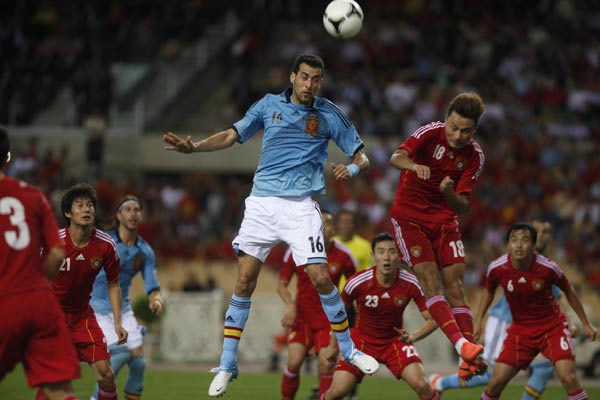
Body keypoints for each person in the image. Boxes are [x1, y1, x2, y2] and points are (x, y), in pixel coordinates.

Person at [163, 53, 379, 397]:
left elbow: (362, 155)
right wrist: (196, 149)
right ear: (292, 77)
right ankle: (228, 363)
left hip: (301, 207)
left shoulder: (329, 114)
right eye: (305, 77)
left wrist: (352, 169)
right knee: (245, 279)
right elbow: (233, 134)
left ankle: (349, 351)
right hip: (262, 204)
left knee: (321, 277)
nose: (310, 84)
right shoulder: (267, 105)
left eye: (316, 79)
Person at [388, 92, 487, 379]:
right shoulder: (430, 133)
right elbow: (397, 156)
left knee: (455, 285)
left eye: (466, 131)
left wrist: (449, 193)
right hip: (409, 218)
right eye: (454, 127)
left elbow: (464, 204)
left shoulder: (475, 156)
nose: (457, 135)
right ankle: (465, 347)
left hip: (444, 220)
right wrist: (413, 165)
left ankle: (467, 359)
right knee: (431, 282)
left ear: (475, 130)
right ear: (446, 120)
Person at [429, 219, 576, 399]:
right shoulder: (513, 262)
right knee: (492, 376)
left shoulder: (544, 265)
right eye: (539, 231)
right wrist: (479, 322)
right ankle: (439, 383)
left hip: (536, 328)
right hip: (504, 321)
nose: (543, 236)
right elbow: (488, 290)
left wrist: (569, 322)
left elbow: (559, 296)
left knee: (543, 368)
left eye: (547, 232)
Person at [0, 128, 81, 400]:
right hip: (39, 301)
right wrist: (33, 286)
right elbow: (57, 254)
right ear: (7, 158)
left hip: (3, 302)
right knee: (59, 389)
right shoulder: (33, 195)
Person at [474, 223, 597, 400]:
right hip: (520, 331)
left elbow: (568, 291)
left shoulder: (548, 268)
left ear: (533, 245)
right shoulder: (497, 268)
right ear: (508, 244)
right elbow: (488, 291)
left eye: (525, 240)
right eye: (514, 240)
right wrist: (478, 322)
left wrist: (585, 323)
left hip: (552, 328)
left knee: (569, 378)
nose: (518, 245)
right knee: (495, 382)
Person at [323, 232, 439, 400]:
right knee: (337, 392)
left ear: (399, 256)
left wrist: (413, 336)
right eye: (381, 251)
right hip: (361, 341)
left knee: (423, 386)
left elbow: (433, 319)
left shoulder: (411, 282)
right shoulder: (358, 282)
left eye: (392, 251)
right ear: (373, 256)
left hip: (394, 342)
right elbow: (338, 313)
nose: (386, 257)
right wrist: (333, 345)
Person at [46, 183, 128, 400]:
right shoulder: (53, 242)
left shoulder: (106, 245)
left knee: (107, 376)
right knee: (54, 381)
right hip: (53, 318)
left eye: (90, 205)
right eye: (80, 205)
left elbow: (113, 284)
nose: (86, 209)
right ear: (67, 212)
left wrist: (118, 322)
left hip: (82, 317)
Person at [278, 209, 357, 399]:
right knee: (294, 361)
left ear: (334, 229)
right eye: (317, 224)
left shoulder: (344, 255)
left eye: (327, 224)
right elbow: (281, 285)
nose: (322, 228)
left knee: (327, 363)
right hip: (303, 318)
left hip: (328, 321)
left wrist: (357, 319)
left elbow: (355, 289)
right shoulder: (296, 250)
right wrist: (290, 304)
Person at [90, 195, 163, 400]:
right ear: (119, 215)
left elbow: (152, 286)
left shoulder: (144, 251)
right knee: (121, 353)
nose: (133, 213)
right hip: (97, 308)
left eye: (137, 209)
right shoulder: (105, 242)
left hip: (123, 310)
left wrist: (156, 299)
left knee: (139, 364)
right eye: (128, 209)